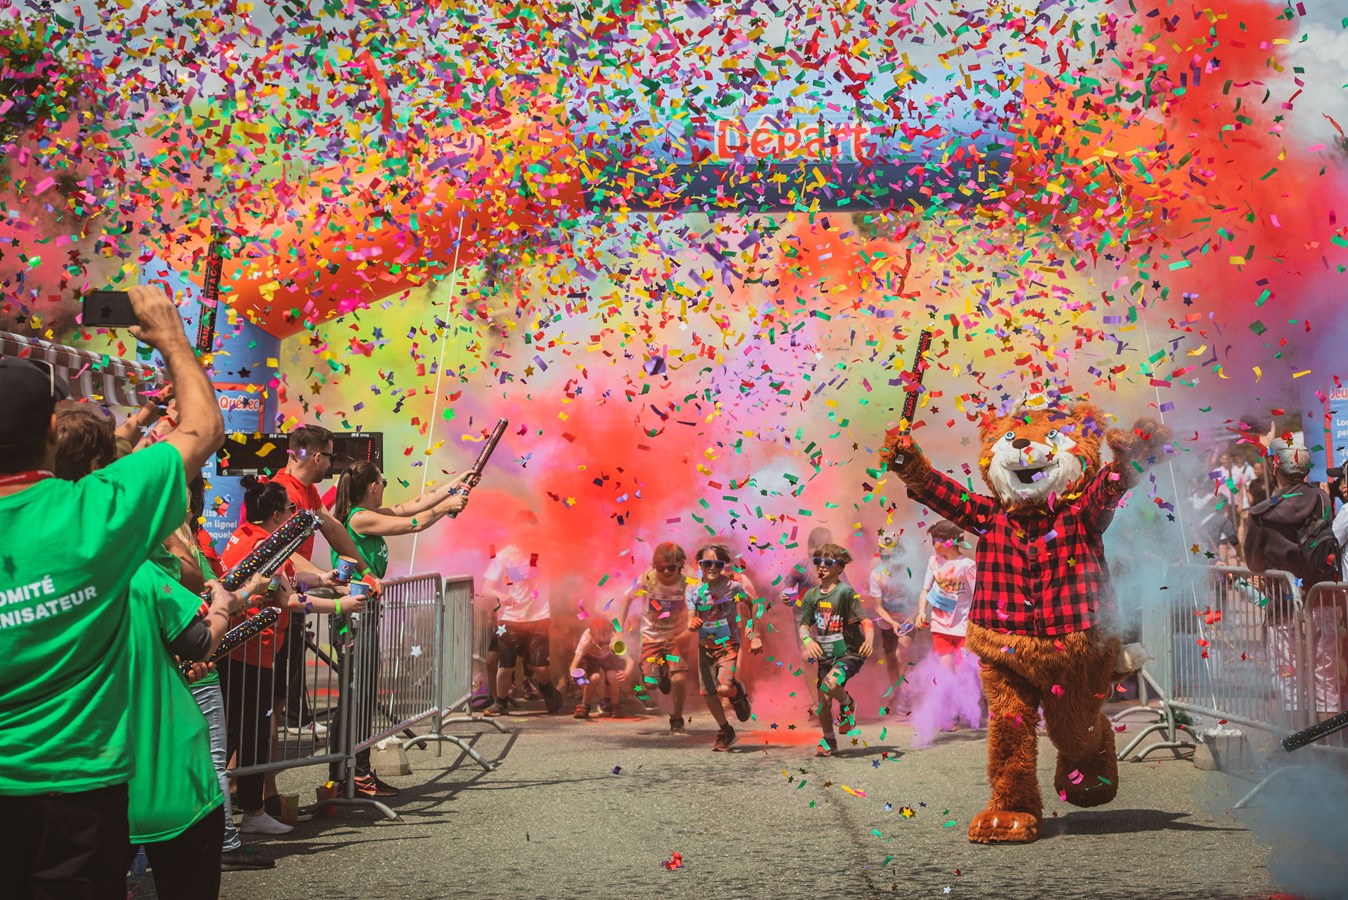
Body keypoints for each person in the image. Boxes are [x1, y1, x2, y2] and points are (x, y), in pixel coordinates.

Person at [0, 284, 223, 898]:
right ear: (50, 428)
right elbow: (203, 429)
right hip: (81, 791)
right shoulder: (96, 513)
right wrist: (171, 338)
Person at [220, 476, 360, 837]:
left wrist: (325, 579)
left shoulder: (248, 536)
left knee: (238, 734)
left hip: (247, 651)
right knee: (247, 736)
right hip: (251, 653)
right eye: (291, 509)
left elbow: (289, 582)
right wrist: (340, 605)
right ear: (277, 516)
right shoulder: (263, 545)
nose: (294, 515)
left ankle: (237, 813)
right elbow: (289, 600)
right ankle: (248, 813)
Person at [326, 461, 469, 796]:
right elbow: (412, 523)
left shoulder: (366, 514)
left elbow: (412, 506)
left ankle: (352, 773)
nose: (385, 488)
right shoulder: (359, 518)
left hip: (363, 612)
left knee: (360, 695)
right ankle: (352, 774)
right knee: (357, 697)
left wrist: (454, 484)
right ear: (373, 486)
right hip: (354, 616)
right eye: (383, 482)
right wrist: (446, 506)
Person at [270, 424, 383, 739]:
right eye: (331, 457)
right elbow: (283, 553)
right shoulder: (282, 492)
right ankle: (256, 768)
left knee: (277, 699)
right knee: (268, 702)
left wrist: (366, 571)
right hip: (272, 603)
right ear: (317, 457)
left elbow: (332, 527)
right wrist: (324, 577)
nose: (333, 465)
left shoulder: (306, 490)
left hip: (291, 598)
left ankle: (267, 770)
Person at [483, 510, 563, 716]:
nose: (529, 536)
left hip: (538, 618)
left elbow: (559, 570)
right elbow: (486, 588)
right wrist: (502, 595)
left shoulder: (544, 552)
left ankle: (546, 687)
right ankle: (500, 703)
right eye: (525, 533)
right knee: (506, 667)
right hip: (509, 620)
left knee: (541, 668)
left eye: (532, 532)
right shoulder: (504, 556)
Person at [686, 543, 762, 751]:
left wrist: (756, 634)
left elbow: (755, 603)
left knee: (724, 689)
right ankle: (725, 730)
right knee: (709, 693)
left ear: (724, 565)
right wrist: (692, 624)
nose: (712, 568)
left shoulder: (732, 587)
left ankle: (737, 692)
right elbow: (690, 618)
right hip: (705, 647)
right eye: (707, 563)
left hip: (728, 645)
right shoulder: (692, 591)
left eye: (718, 564)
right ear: (699, 564)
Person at [799, 544, 873, 757]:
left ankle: (848, 704)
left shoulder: (845, 593)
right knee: (823, 703)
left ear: (839, 568)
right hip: (825, 655)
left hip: (849, 653)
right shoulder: (811, 596)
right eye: (817, 561)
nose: (821, 566)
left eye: (828, 562)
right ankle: (829, 741)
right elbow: (804, 625)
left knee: (830, 684)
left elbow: (866, 621)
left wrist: (869, 640)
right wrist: (807, 640)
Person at [1244, 437, 1339, 589]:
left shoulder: (1260, 513)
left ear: (1275, 469)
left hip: (1283, 598)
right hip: (1321, 592)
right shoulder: (1322, 498)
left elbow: (1254, 564)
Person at [624, 541, 693, 733]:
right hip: (652, 638)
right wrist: (619, 628)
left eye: (671, 567)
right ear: (654, 566)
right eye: (661, 568)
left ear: (680, 565)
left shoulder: (688, 583)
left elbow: (698, 607)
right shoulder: (648, 579)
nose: (666, 572)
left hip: (676, 639)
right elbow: (627, 598)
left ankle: (677, 718)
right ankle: (659, 674)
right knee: (650, 684)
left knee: (679, 679)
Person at [916, 519, 978, 730]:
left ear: (951, 541)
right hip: (940, 626)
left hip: (963, 627)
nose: (934, 544)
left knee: (963, 673)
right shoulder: (934, 561)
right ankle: (949, 715)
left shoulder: (967, 565)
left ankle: (968, 708)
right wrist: (921, 611)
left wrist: (977, 623)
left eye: (938, 539)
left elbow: (977, 595)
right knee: (945, 673)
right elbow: (925, 589)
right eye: (933, 539)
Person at [866, 529, 917, 701]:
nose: (891, 561)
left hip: (907, 618)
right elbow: (878, 607)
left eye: (894, 556)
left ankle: (906, 695)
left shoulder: (909, 572)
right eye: (886, 557)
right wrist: (892, 623)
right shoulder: (877, 575)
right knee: (890, 657)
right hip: (887, 621)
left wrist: (912, 616)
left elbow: (919, 600)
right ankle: (897, 692)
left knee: (901, 653)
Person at [569, 618, 636, 718]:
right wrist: (576, 677)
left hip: (609, 657)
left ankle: (615, 705)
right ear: (591, 634)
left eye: (604, 637)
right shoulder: (586, 638)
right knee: (594, 677)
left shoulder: (614, 639)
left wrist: (626, 673)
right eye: (598, 638)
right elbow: (573, 666)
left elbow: (630, 661)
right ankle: (584, 705)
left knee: (613, 676)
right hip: (591, 658)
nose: (601, 639)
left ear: (610, 632)